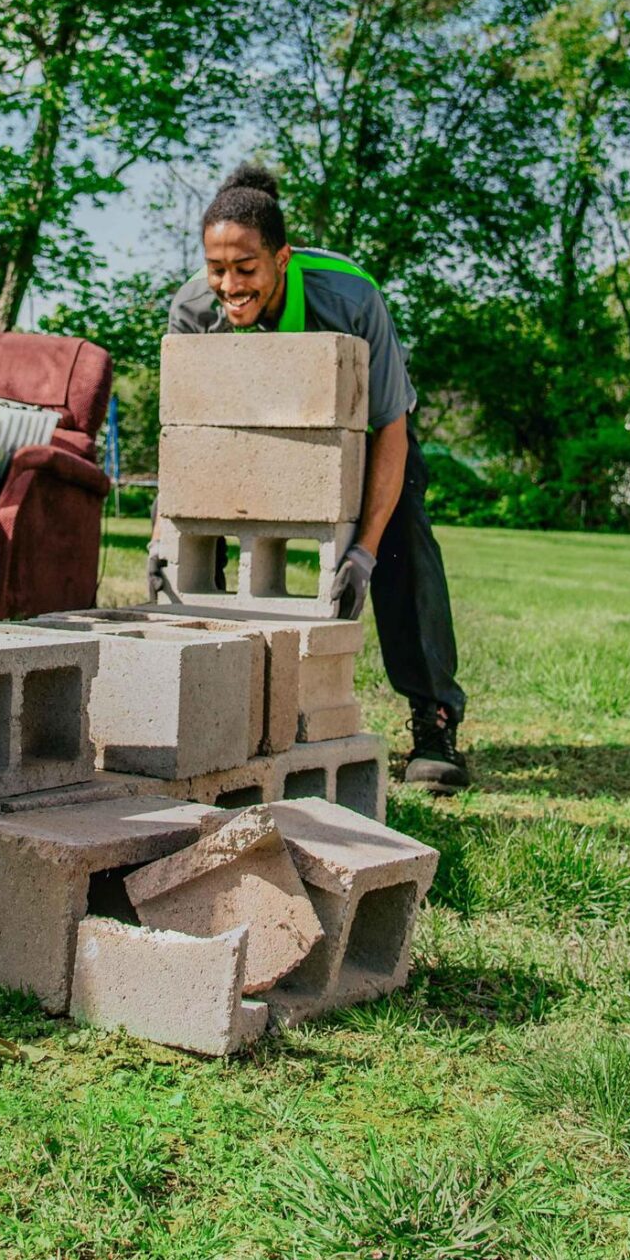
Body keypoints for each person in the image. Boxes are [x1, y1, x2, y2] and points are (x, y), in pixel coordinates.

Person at [159, 165, 472, 792]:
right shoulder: (193, 309)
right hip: (248, 438)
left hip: (361, 440)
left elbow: (391, 427)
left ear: (281, 258)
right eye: (217, 269)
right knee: (201, 523)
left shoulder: (350, 296)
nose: (229, 285)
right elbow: (188, 437)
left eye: (246, 269)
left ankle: (434, 719)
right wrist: (163, 535)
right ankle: (217, 707)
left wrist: (364, 548)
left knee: (404, 531)